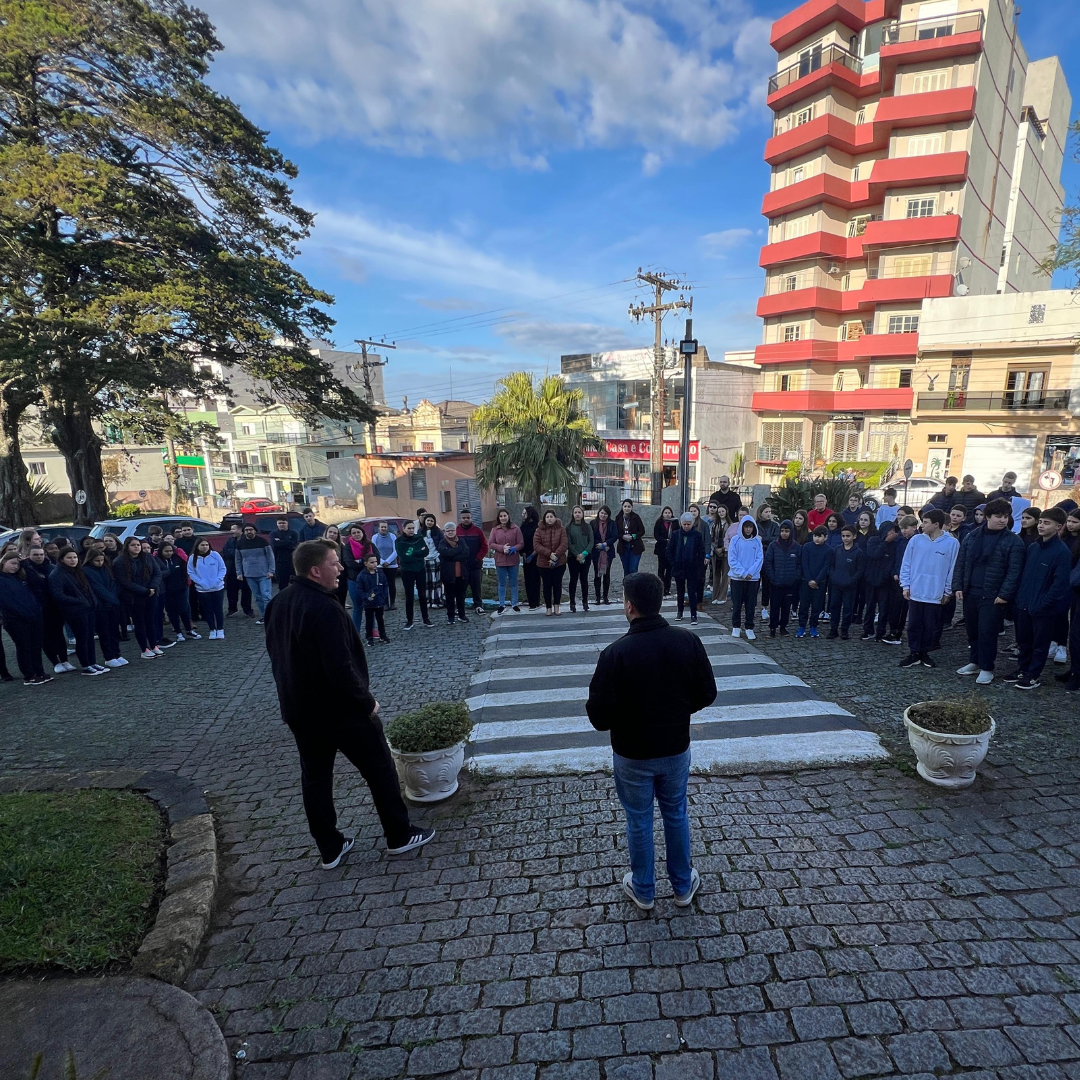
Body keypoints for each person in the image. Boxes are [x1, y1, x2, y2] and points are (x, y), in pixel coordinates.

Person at [263, 539, 433, 869]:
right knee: (381, 769)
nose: (341, 568)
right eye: (333, 563)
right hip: (340, 711)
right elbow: (339, 667)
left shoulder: (279, 602)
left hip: (300, 710)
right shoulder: (325, 608)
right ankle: (399, 835)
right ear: (315, 570)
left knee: (315, 778)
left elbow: (277, 656)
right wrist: (366, 702)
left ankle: (330, 847)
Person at [586, 572, 716, 910]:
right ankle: (683, 885)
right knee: (676, 813)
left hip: (632, 752)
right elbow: (708, 693)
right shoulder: (687, 641)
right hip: (674, 746)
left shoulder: (615, 654)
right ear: (660, 602)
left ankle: (643, 889)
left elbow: (598, 717)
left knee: (639, 819)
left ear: (629, 606)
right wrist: (678, 710)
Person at [951, 497, 1024, 684]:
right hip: (971, 591)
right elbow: (961, 562)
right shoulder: (973, 536)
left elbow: (1014, 571)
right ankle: (974, 661)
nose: (1002, 520)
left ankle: (987, 667)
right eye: (998, 516)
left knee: (987, 632)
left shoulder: (1013, 541)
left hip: (994, 595)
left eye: (1005, 516)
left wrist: (1004, 594)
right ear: (987, 517)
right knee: (972, 630)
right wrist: (958, 586)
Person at [1005, 506, 1072, 690]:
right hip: (1024, 603)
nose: (1041, 526)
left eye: (1046, 523)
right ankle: (1023, 669)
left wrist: (1043, 604)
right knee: (1024, 640)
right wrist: (1020, 598)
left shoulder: (1061, 552)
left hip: (1042, 608)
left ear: (1058, 526)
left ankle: (1033, 675)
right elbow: (1025, 575)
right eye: (1041, 522)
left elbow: (1060, 585)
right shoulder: (1034, 547)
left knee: (1039, 644)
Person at [898, 508, 959, 669]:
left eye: (925, 522)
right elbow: (907, 563)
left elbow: (952, 569)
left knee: (930, 626)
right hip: (916, 591)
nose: (922, 525)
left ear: (936, 524)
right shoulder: (916, 540)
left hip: (935, 593)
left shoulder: (952, 543)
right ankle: (914, 652)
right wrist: (906, 585)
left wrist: (947, 591)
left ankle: (924, 652)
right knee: (913, 625)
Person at [49, 548, 108, 675]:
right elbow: (58, 594)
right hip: (74, 611)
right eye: (69, 558)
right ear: (62, 559)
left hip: (88, 608)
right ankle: (85, 665)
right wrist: (78, 601)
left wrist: (92, 601)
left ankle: (92, 662)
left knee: (89, 638)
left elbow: (87, 588)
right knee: (82, 638)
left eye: (75, 557)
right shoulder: (57, 574)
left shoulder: (78, 571)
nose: (73, 560)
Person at [0, 551, 53, 685]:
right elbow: (7, 602)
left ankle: (39, 672)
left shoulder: (20, 577)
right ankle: (29, 675)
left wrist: (26, 565)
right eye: (12, 563)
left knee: (36, 645)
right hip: (15, 619)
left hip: (34, 615)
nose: (15, 567)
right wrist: (24, 613)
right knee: (24, 646)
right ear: (3, 562)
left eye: (17, 564)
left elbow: (37, 582)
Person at [22, 546, 72, 672]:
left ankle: (65, 660)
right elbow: (35, 583)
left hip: (54, 607)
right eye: (35, 555)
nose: (39, 557)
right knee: (46, 637)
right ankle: (55, 662)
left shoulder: (51, 568)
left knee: (59, 635)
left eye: (41, 554)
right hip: (38, 608)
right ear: (29, 556)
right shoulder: (25, 570)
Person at [113, 537, 162, 659]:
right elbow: (124, 581)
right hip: (134, 596)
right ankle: (144, 648)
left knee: (150, 620)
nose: (137, 547)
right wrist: (144, 591)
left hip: (151, 593)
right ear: (127, 547)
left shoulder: (148, 557)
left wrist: (152, 587)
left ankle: (154, 645)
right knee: (139, 622)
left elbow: (157, 573)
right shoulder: (120, 561)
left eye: (138, 545)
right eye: (133, 545)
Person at [83, 550, 126, 667]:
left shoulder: (107, 569)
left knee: (114, 631)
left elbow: (113, 584)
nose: (100, 563)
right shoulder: (86, 571)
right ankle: (109, 656)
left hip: (112, 604)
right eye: (97, 560)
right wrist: (112, 598)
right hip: (100, 606)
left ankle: (117, 653)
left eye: (102, 560)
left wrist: (113, 598)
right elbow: (97, 588)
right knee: (104, 632)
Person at [861, 523, 900, 642]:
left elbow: (892, 561)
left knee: (884, 608)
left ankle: (881, 632)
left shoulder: (895, 545)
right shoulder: (873, 540)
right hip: (871, 579)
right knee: (870, 607)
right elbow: (874, 554)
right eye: (890, 531)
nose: (892, 533)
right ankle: (868, 630)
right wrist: (885, 542)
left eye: (894, 531)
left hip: (885, 581)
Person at [826, 526, 864, 640]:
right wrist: (833, 577)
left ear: (854, 536)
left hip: (850, 586)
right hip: (836, 584)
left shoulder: (858, 553)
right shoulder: (837, 550)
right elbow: (831, 565)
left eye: (848, 536)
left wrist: (851, 580)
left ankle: (844, 630)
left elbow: (860, 570)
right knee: (834, 607)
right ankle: (833, 629)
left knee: (848, 609)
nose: (845, 538)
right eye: (843, 536)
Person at [155, 541, 197, 645]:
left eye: (170, 551)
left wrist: (184, 584)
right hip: (167, 590)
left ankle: (189, 629)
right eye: (166, 551)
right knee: (172, 611)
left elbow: (184, 572)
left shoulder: (178, 559)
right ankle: (178, 632)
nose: (169, 553)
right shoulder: (157, 561)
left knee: (184, 609)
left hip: (181, 588)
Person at [728, 516, 762, 640]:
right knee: (737, 604)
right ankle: (736, 626)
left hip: (752, 579)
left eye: (750, 527)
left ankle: (749, 627)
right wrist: (742, 573)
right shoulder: (735, 540)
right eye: (746, 527)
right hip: (737, 578)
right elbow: (732, 559)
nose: (748, 529)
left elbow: (759, 559)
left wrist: (751, 573)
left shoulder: (757, 541)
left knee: (751, 604)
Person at [394, 520, 433, 628]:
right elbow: (404, 557)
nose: (411, 530)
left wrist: (412, 553)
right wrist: (417, 552)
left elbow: (426, 552)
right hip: (407, 571)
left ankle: (426, 618)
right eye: (409, 528)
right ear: (404, 529)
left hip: (420, 569)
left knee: (422, 595)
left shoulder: (419, 538)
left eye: (412, 528)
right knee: (409, 595)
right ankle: (410, 620)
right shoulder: (399, 541)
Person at [763, 519, 799, 636]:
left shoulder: (796, 547)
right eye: (782, 531)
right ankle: (772, 627)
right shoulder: (773, 545)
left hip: (789, 583)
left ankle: (783, 626)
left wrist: (795, 577)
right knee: (774, 607)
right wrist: (773, 578)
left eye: (787, 531)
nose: (784, 533)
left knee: (786, 607)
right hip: (775, 583)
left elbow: (799, 564)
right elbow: (768, 562)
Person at [669, 512, 706, 624]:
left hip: (692, 568)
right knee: (680, 591)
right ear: (681, 523)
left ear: (692, 524)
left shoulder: (697, 535)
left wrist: (698, 566)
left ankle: (693, 615)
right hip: (679, 567)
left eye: (688, 524)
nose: (686, 526)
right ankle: (679, 612)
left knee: (691, 592)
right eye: (684, 524)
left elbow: (701, 552)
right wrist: (674, 563)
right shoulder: (675, 535)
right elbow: (669, 550)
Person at [234, 524, 275, 624]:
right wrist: (239, 573)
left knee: (266, 596)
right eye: (247, 530)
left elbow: (270, 557)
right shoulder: (240, 544)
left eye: (251, 530)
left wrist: (271, 571)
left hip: (264, 574)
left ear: (255, 531)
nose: (249, 532)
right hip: (249, 575)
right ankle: (263, 616)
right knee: (258, 597)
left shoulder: (263, 542)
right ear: (244, 532)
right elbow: (238, 560)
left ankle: (269, 616)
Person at [187, 538, 227, 639]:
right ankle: (212, 629)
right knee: (207, 610)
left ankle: (220, 629)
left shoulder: (215, 555)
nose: (205, 547)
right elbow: (191, 572)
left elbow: (222, 568)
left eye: (206, 545)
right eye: (202, 545)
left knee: (218, 609)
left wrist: (218, 579)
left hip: (217, 587)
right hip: (202, 589)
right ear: (197, 547)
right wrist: (200, 582)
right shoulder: (192, 558)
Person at [488, 509, 523, 616]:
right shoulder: (495, 530)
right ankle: (501, 604)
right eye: (501, 516)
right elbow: (491, 543)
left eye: (505, 515)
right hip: (500, 560)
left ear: (508, 516)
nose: (503, 518)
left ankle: (514, 603)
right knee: (502, 583)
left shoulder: (515, 529)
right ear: (498, 518)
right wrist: (501, 548)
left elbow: (521, 543)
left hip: (513, 560)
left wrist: (513, 548)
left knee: (513, 583)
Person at [796, 527, 831, 638]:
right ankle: (802, 626)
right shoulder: (807, 547)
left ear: (825, 537)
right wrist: (809, 579)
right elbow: (804, 564)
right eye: (815, 536)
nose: (817, 538)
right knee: (804, 605)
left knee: (817, 606)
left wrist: (817, 580)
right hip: (806, 582)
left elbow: (826, 567)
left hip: (820, 583)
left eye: (820, 536)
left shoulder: (829, 550)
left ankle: (813, 626)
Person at [533, 509, 568, 616]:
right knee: (547, 585)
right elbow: (536, 545)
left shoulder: (561, 529)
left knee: (557, 585)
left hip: (559, 562)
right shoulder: (539, 530)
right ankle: (548, 607)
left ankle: (557, 606)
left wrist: (555, 555)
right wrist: (549, 554)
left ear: (555, 518)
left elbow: (564, 543)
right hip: (543, 563)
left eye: (551, 516)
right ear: (544, 518)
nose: (549, 519)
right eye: (547, 517)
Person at [437, 522, 471, 624]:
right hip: (448, 575)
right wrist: (457, 551)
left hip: (462, 574)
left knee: (461, 596)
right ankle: (450, 616)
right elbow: (444, 554)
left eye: (452, 530)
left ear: (455, 531)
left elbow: (466, 553)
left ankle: (462, 615)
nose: (450, 532)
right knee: (449, 597)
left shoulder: (461, 541)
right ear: (445, 532)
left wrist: (452, 555)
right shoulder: (442, 543)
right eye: (448, 530)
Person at [456, 508, 489, 613]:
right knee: (461, 587)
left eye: (468, 518)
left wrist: (478, 558)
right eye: (464, 518)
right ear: (460, 519)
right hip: (461, 565)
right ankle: (460, 607)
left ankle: (478, 605)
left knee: (476, 587)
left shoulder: (478, 531)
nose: (466, 520)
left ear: (471, 518)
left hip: (475, 564)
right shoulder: (456, 531)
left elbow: (485, 547)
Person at [357, 554, 391, 646]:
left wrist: (383, 596)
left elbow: (385, 585)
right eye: (372, 562)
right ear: (366, 564)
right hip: (369, 603)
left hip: (379, 601)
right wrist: (366, 597)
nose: (375, 564)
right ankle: (369, 637)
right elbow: (359, 589)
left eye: (376, 562)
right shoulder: (362, 576)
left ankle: (383, 635)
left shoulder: (380, 573)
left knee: (380, 619)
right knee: (369, 620)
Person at [566, 505, 593, 614]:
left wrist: (584, 553)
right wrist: (577, 554)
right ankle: (572, 602)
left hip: (585, 557)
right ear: (573, 514)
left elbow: (591, 541)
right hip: (573, 558)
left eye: (579, 512)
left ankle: (585, 601)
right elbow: (568, 543)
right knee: (573, 580)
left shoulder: (588, 527)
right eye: (575, 512)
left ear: (582, 514)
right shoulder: (569, 527)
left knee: (584, 579)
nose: (577, 514)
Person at [223, 523, 253, 618]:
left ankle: (247, 609)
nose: (232, 531)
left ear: (240, 530)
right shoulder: (230, 541)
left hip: (245, 570)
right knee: (231, 591)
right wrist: (237, 553)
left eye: (233, 529)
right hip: (232, 569)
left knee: (246, 591)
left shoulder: (247, 541)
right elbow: (225, 552)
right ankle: (232, 608)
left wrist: (236, 554)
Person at [369, 521, 400, 611]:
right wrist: (382, 562)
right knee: (382, 585)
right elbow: (375, 551)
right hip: (380, 565)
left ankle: (392, 603)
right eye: (382, 527)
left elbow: (396, 550)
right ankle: (385, 603)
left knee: (391, 584)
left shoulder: (392, 536)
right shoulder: (375, 537)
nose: (383, 529)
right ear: (378, 528)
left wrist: (388, 561)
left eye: (385, 527)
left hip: (392, 565)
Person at [756, 505, 779, 620]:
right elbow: (755, 539)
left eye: (770, 511)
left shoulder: (774, 526)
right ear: (761, 512)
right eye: (766, 512)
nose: (769, 514)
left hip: (769, 558)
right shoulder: (755, 525)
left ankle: (765, 607)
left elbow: (775, 540)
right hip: (756, 557)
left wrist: (763, 539)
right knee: (754, 584)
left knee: (767, 584)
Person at [419, 514, 444, 610]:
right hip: (424, 560)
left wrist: (439, 554)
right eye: (428, 520)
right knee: (426, 581)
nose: (429, 522)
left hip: (435, 559)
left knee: (435, 581)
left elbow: (442, 544)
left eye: (431, 521)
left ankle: (436, 600)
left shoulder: (438, 532)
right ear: (424, 521)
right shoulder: (420, 532)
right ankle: (427, 600)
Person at [614, 499, 645, 577]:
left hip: (635, 547)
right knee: (626, 570)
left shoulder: (636, 517)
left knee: (633, 569)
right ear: (622, 507)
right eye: (625, 506)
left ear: (632, 507)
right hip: (623, 547)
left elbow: (642, 531)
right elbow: (615, 532)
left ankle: (634, 587)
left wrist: (633, 536)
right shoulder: (618, 518)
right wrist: (622, 536)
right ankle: (627, 587)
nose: (627, 508)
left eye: (629, 506)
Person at [322, 525, 350, 607]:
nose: (332, 534)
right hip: (324, 579)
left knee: (340, 605)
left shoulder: (342, 547)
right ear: (326, 533)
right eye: (330, 532)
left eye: (335, 533)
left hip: (340, 579)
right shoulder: (319, 546)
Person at [519, 506, 541, 610]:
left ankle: (535, 601)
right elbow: (520, 541)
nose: (523, 516)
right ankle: (530, 600)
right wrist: (522, 553)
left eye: (525, 514)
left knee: (535, 578)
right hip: (525, 555)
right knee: (527, 579)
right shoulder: (523, 526)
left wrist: (533, 554)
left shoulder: (537, 526)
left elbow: (539, 542)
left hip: (536, 555)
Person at [710, 505, 731, 604]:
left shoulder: (730, 524)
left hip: (726, 552)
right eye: (719, 512)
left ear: (726, 511)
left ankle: (722, 596)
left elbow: (731, 539)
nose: (721, 513)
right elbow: (712, 538)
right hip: (716, 552)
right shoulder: (715, 524)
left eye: (723, 511)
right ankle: (715, 596)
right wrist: (715, 548)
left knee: (725, 575)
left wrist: (723, 549)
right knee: (716, 574)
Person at [653, 506, 676, 596]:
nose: (667, 514)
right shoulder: (659, 522)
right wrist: (664, 540)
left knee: (669, 571)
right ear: (662, 514)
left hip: (671, 549)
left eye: (669, 513)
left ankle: (667, 588)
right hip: (661, 548)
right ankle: (661, 588)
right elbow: (656, 535)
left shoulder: (675, 522)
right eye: (665, 513)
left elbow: (677, 533)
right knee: (661, 570)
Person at [270, 519, 299, 592]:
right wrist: (287, 542)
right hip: (280, 563)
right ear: (277, 524)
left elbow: (294, 545)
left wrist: (280, 542)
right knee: (282, 586)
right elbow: (275, 544)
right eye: (280, 523)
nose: (282, 524)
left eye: (283, 522)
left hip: (292, 562)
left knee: (296, 585)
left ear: (287, 523)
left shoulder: (293, 533)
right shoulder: (273, 534)